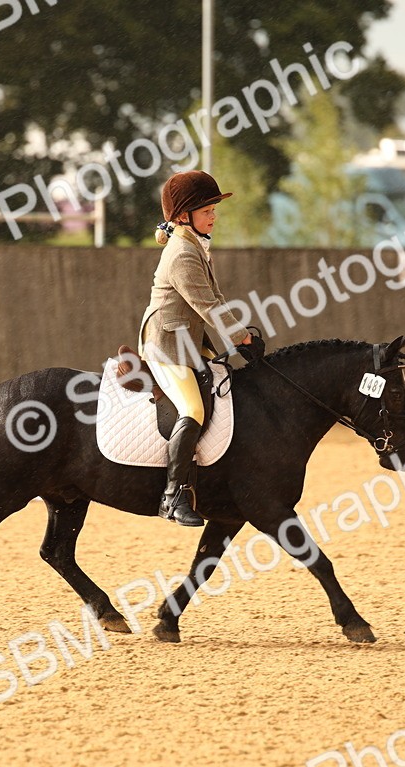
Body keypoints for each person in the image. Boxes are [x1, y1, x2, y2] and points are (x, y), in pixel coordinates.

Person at [138, 170, 264, 526]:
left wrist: (242, 336)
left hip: (188, 339)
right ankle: (173, 496)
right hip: (166, 344)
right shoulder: (181, 253)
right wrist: (241, 338)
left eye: (213, 209)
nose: (214, 216)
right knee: (192, 408)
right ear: (183, 216)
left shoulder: (195, 244)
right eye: (207, 210)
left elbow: (217, 297)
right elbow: (206, 306)